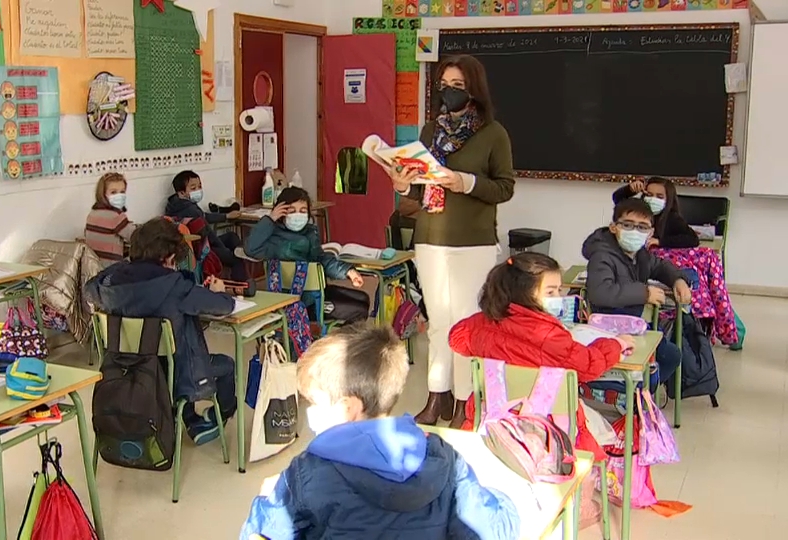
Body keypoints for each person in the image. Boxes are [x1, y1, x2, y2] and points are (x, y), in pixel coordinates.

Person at [239, 323, 520, 540]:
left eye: (314, 402)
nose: (309, 413)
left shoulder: (306, 473)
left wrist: (266, 500)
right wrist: (497, 496)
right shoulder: (441, 456)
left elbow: (259, 534)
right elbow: (496, 530)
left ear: (348, 408)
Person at [380, 54, 515, 427]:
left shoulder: (493, 133)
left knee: (466, 324)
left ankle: (463, 403)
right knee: (437, 322)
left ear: (474, 90)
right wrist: (402, 183)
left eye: (458, 86)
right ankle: (435, 398)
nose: (449, 92)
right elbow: (421, 188)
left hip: (473, 242)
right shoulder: (429, 131)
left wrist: (464, 182)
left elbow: (505, 187)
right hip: (430, 238)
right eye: (445, 85)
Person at [448, 252, 632, 462]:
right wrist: (616, 344)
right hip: (549, 431)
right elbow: (590, 365)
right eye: (550, 291)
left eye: (559, 290)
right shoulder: (552, 336)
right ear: (524, 293)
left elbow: (456, 338)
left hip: (493, 423)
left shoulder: (482, 323)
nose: (558, 298)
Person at [85, 218, 236, 445]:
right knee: (224, 364)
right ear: (169, 257)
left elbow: (89, 289)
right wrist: (220, 291)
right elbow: (223, 307)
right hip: (174, 376)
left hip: (125, 371)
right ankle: (217, 417)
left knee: (176, 353)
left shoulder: (109, 282)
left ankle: (191, 419)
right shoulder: (175, 285)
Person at [582, 198, 691, 385]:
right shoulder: (602, 254)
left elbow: (660, 266)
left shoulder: (640, 254)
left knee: (671, 355)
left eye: (642, 227)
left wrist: (678, 279)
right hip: (608, 328)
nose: (635, 231)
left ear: (651, 233)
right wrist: (645, 293)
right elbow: (600, 293)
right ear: (614, 227)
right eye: (628, 225)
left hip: (632, 324)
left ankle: (638, 395)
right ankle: (632, 394)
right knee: (662, 360)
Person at [244, 186, 369, 323]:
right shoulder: (275, 239)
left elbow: (321, 259)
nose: (298, 215)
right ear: (281, 213)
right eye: (292, 211)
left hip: (314, 292)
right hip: (300, 303)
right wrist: (270, 219)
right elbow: (251, 248)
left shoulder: (309, 233)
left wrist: (347, 270)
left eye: (303, 211)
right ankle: (340, 343)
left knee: (363, 298)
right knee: (358, 310)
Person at [165, 170, 248, 281]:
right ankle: (243, 284)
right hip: (202, 250)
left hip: (194, 246)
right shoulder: (191, 209)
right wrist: (226, 252)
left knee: (231, 237)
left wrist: (226, 216)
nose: (198, 190)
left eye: (199, 186)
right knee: (237, 258)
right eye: (193, 188)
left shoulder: (174, 205)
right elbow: (210, 235)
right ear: (181, 193)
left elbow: (204, 217)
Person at [612, 176, 699, 249]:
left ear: (668, 199)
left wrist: (660, 241)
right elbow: (618, 199)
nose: (653, 199)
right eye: (649, 195)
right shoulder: (637, 211)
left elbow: (693, 239)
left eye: (659, 196)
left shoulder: (672, 218)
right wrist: (629, 189)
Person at [85, 172, 137, 265]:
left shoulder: (92, 214)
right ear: (103, 194)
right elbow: (136, 236)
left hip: (93, 267)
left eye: (122, 192)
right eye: (113, 192)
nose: (119, 196)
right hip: (111, 269)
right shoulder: (116, 217)